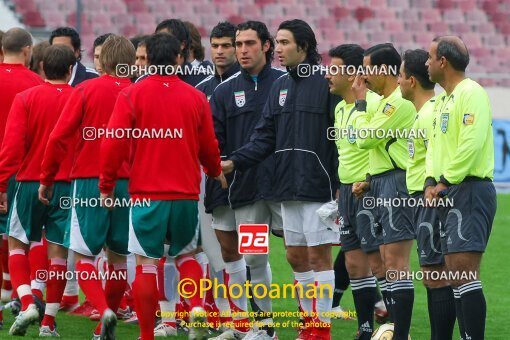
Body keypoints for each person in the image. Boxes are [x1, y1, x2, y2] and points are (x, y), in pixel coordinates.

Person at [98, 32, 226, 340]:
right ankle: (195, 305)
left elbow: (112, 143)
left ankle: (147, 334)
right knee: (188, 255)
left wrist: (106, 184)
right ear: (178, 59)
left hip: (146, 194)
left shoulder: (132, 94)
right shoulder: (195, 96)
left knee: (146, 263)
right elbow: (208, 144)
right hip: (185, 193)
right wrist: (215, 170)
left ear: (148, 60)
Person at [221, 19, 339, 340]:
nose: (281, 49)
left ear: (303, 46)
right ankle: (270, 326)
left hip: (316, 189)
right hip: (266, 192)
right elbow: (263, 138)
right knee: (288, 256)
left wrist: (342, 185)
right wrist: (232, 163)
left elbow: (342, 138)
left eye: (285, 43)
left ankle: (320, 328)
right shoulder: (272, 87)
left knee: (317, 256)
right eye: (280, 42)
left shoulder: (326, 83)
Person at [39, 35, 136, 339]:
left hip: (89, 181)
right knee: (119, 256)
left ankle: (103, 310)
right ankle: (101, 325)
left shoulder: (86, 90)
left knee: (83, 257)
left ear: (102, 59)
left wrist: (47, 178)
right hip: (128, 185)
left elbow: (57, 138)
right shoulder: (137, 92)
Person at [208, 20, 285, 340]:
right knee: (252, 255)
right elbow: (215, 138)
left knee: (303, 254)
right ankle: (258, 326)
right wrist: (219, 168)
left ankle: (313, 326)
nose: (242, 50)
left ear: (267, 46)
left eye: (249, 44)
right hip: (247, 188)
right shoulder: (225, 90)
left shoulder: (284, 83)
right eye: (238, 44)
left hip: (284, 184)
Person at [0, 44, 75, 336]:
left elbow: (12, 147)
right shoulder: (79, 98)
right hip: (68, 184)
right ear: (71, 70)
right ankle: (48, 323)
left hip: (30, 181)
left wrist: (2, 183)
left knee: (18, 242)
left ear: (42, 66)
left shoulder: (26, 98)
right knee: (58, 253)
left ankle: (29, 301)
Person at [425, 36, 496, 340]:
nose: (426, 63)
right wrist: (430, 180)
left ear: (443, 61)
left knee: (465, 274)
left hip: (468, 190)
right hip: (447, 191)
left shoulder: (472, 93)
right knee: (455, 275)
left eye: (430, 58)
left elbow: (471, 142)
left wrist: (444, 180)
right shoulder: (442, 100)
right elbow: (434, 148)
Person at [350, 43, 416, 340]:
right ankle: (391, 329)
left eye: (367, 69)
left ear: (384, 70)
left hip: (396, 184)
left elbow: (364, 139)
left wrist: (360, 103)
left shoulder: (397, 102)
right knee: (388, 262)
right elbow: (379, 147)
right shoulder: (387, 101)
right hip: (380, 181)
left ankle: (400, 334)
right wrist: (368, 178)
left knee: (396, 263)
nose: (363, 76)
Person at [325, 43, 387, 339]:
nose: (327, 75)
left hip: (369, 192)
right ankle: (365, 330)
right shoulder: (339, 108)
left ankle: (393, 327)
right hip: (347, 194)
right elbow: (344, 153)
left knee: (377, 262)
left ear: (352, 75)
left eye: (333, 69)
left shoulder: (374, 104)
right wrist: (340, 188)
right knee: (353, 263)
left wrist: (370, 181)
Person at [398, 48, 457, 340]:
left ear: (411, 80)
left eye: (399, 75)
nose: (396, 82)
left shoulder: (431, 114)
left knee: (436, 274)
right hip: (419, 200)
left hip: (429, 200)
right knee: (433, 274)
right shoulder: (423, 113)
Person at [0, 28, 43, 319]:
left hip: (8, 169)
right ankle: (26, 297)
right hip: (24, 171)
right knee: (27, 237)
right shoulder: (37, 84)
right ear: (28, 51)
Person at [195, 21, 239, 100]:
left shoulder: (250, 83)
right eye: (215, 46)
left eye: (226, 46)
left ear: (237, 48)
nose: (219, 52)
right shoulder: (201, 89)